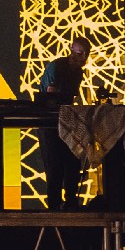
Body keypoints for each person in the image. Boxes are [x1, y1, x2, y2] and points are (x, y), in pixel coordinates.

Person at [37, 35, 92, 209]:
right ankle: (54, 205)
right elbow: (51, 97)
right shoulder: (56, 67)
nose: (82, 58)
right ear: (72, 50)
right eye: (80, 53)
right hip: (49, 121)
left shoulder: (78, 73)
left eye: (85, 54)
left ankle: (70, 202)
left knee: (71, 161)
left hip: (65, 120)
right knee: (54, 164)